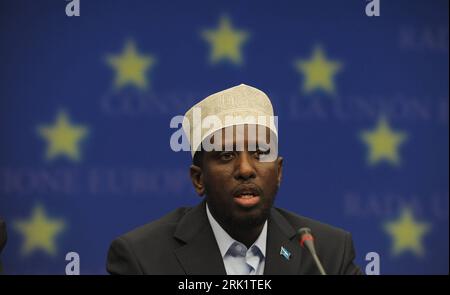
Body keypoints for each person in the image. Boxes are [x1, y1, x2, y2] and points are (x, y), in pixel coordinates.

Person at [106, 84, 362, 275]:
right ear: (198, 179)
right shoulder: (142, 259)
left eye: (260, 153)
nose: (246, 169)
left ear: (279, 171)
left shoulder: (326, 254)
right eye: (227, 155)